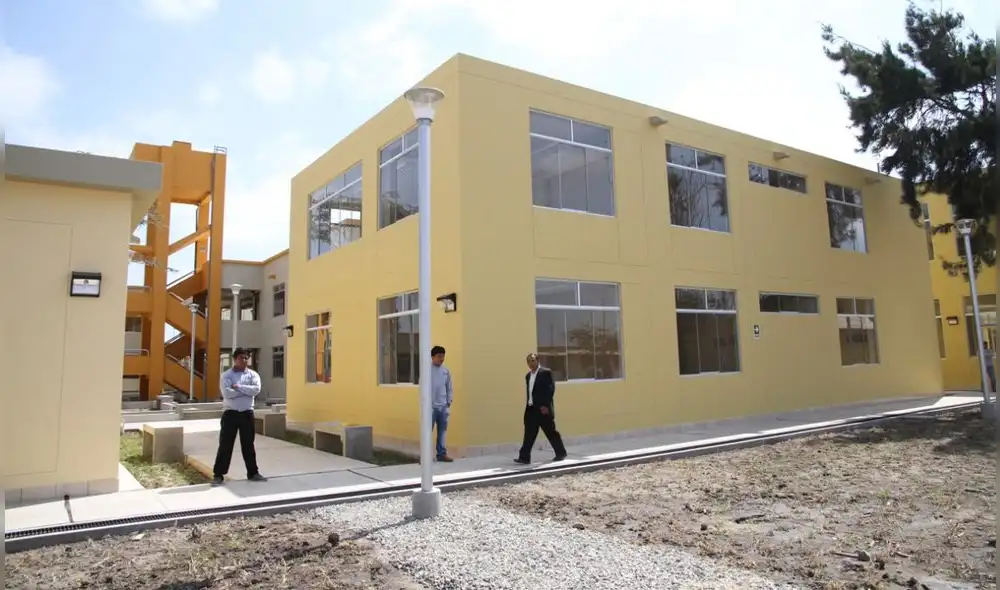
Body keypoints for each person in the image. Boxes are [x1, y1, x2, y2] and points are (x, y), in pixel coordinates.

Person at [211, 348, 267, 485]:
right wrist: (245, 390)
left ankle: (253, 473)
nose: (244, 360)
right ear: (234, 359)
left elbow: (256, 390)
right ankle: (218, 475)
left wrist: (238, 387)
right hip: (230, 414)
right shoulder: (226, 375)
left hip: (247, 413)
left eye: (246, 357)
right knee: (225, 445)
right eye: (241, 357)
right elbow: (227, 393)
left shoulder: (253, 375)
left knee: (248, 444)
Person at [515, 353, 567, 464]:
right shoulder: (528, 376)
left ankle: (561, 453)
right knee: (529, 434)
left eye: (533, 360)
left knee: (550, 432)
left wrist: (545, 405)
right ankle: (524, 457)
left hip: (543, 410)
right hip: (531, 409)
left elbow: (550, 389)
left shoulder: (545, 373)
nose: (530, 363)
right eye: (528, 361)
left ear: (538, 361)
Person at [429, 345, 454, 462]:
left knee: (442, 431)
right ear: (433, 357)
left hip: (443, 406)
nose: (441, 359)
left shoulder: (446, 371)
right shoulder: (427, 370)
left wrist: (449, 400)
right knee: (427, 431)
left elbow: (449, 386)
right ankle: (426, 456)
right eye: (439, 356)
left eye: (443, 356)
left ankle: (441, 454)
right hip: (431, 407)